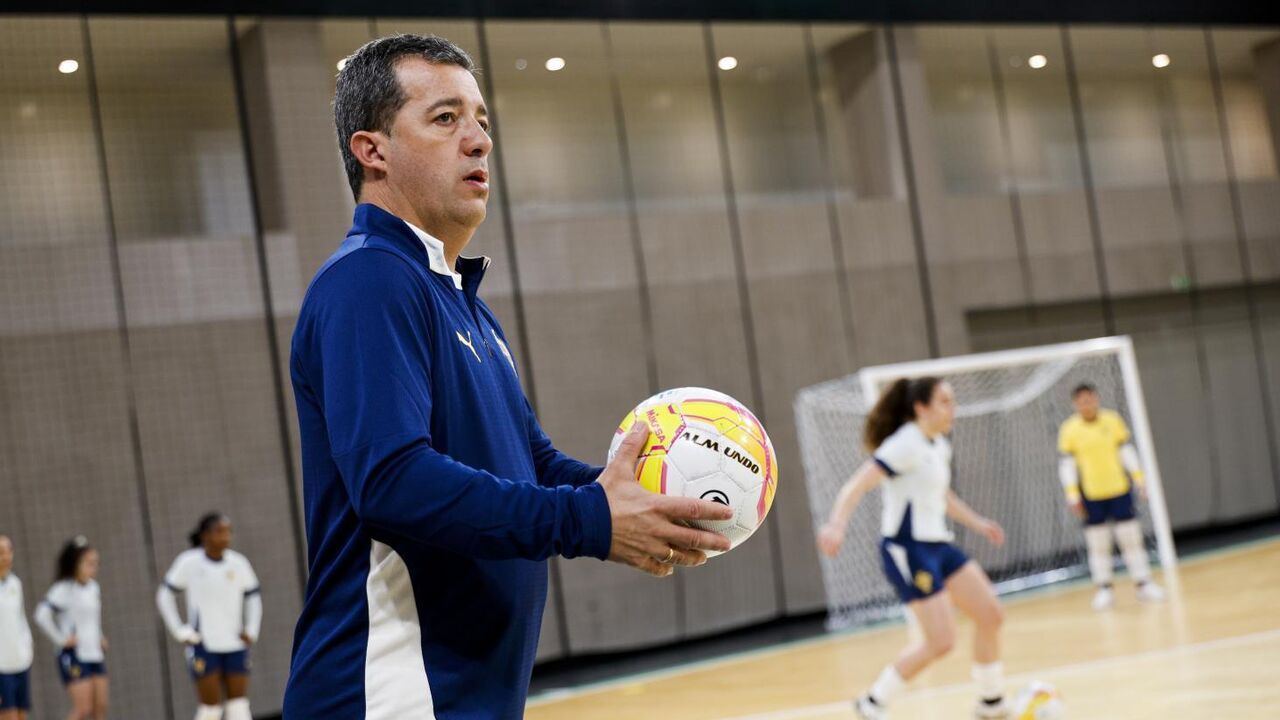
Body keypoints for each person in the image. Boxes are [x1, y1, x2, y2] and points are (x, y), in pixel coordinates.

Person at [283, 34, 732, 719]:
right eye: (445, 118)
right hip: (390, 695)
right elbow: (392, 483)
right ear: (372, 150)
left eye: (482, 120)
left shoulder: (462, 303)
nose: (479, 141)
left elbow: (533, 462)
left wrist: (643, 494)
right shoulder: (368, 281)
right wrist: (591, 519)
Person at [817, 377, 1009, 720]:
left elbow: (942, 496)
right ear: (921, 407)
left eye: (953, 400)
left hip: (939, 545)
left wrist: (977, 522)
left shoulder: (937, 445)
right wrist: (837, 524)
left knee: (990, 614)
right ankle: (873, 701)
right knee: (941, 641)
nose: (953, 409)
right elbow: (857, 485)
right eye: (944, 402)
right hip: (908, 550)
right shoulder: (904, 443)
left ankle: (990, 702)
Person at [1058, 383, 1165, 610]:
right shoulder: (1070, 429)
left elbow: (1125, 451)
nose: (1087, 404)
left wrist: (1139, 479)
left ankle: (1143, 583)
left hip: (1119, 489)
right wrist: (1072, 495)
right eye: (1082, 401)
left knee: (1130, 538)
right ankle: (1104, 589)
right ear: (1075, 404)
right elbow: (1067, 465)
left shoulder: (1112, 420)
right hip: (1091, 494)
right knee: (1098, 543)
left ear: (1096, 398)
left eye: (1090, 399)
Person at [156, 513, 262, 720]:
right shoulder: (189, 563)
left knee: (239, 708)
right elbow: (164, 595)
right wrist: (179, 630)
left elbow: (254, 598)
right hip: (204, 645)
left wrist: (251, 629)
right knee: (211, 710)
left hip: (235, 644)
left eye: (228, 532)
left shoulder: (239, 563)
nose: (226, 537)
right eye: (219, 531)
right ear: (205, 535)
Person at [33, 538, 107, 720]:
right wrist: (61, 639)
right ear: (76, 564)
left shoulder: (93, 588)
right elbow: (41, 615)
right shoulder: (63, 589)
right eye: (89, 564)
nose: (93, 568)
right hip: (74, 655)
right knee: (83, 709)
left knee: (101, 707)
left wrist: (100, 636)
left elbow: (92, 619)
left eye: (95, 564)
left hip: (94, 653)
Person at [0, 535, 34, 720]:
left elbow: (21, 620)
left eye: (9, 551)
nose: (6, 556)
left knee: (22, 715)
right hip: (1, 667)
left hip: (20, 662)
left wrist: (27, 648)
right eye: (0, 552)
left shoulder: (15, 583)